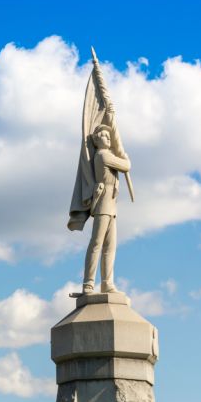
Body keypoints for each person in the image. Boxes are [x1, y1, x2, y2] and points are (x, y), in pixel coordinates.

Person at [81, 123, 130, 294]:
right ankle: (88, 283)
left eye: (110, 136)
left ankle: (107, 283)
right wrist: (123, 154)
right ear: (95, 140)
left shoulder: (108, 154)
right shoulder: (102, 156)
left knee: (110, 246)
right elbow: (126, 165)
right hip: (103, 204)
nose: (108, 138)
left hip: (111, 205)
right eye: (104, 135)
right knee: (97, 243)